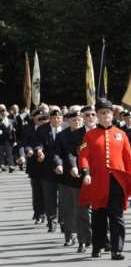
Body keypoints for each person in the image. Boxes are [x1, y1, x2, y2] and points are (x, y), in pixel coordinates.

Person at [78, 99, 131, 260]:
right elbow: (83, 157)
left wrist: (130, 182)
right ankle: (97, 246)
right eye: (102, 113)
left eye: (108, 113)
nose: (105, 116)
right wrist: (86, 172)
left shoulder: (121, 134)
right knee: (98, 215)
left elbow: (128, 159)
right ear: (97, 115)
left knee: (117, 216)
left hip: (117, 181)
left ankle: (116, 249)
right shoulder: (89, 135)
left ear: (113, 115)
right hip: (98, 181)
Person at [54, 107, 92, 252]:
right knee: (69, 209)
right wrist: (58, 165)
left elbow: (82, 154)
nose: (76, 122)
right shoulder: (62, 136)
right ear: (68, 120)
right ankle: (72, 235)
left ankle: (86, 238)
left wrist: (77, 167)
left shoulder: (88, 134)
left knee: (84, 209)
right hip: (67, 178)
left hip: (86, 175)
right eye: (73, 120)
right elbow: (57, 153)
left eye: (79, 119)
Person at [35, 108, 64, 233]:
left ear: (62, 119)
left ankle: (64, 222)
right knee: (49, 197)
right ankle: (52, 221)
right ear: (50, 119)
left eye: (59, 118)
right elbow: (38, 142)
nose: (57, 120)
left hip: (63, 169)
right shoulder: (42, 129)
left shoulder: (66, 129)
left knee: (63, 198)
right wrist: (39, 150)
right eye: (54, 118)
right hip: (47, 169)